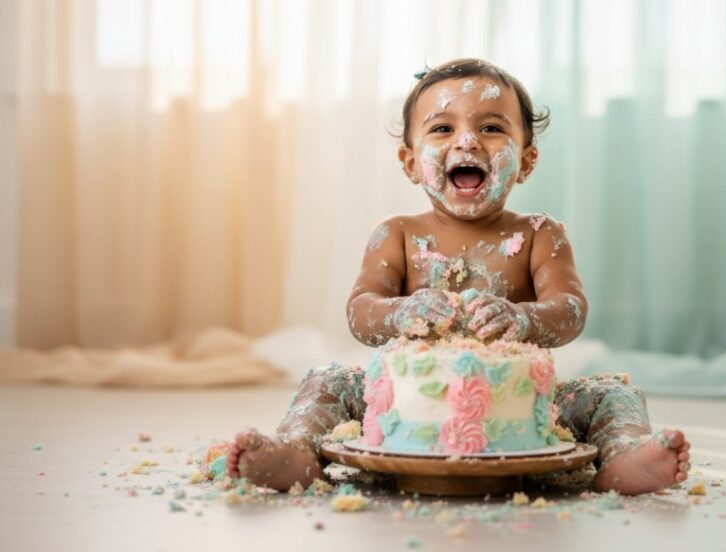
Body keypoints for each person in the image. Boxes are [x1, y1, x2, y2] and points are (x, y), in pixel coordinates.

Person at [226, 59, 691, 495]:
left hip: (525, 403)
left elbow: (570, 310)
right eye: (443, 128)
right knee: (325, 379)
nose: (467, 142)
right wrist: (399, 311)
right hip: (404, 403)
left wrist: (525, 319)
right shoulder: (397, 235)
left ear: (526, 161)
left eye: (491, 128)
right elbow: (361, 311)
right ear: (410, 162)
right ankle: (296, 451)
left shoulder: (538, 235)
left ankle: (625, 457)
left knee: (614, 392)